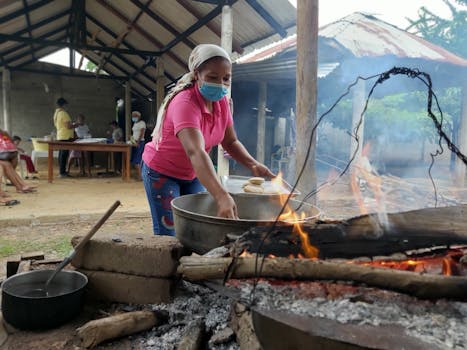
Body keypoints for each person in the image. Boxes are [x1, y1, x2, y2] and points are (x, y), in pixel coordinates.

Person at [142, 44, 274, 236]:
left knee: (195, 228)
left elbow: (230, 141)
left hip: (193, 173)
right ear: (197, 74)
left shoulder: (222, 103)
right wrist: (221, 196)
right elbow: (196, 151)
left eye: (226, 78)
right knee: (169, 233)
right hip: (162, 172)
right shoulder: (185, 103)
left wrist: (252, 164)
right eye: (212, 77)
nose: (220, 84)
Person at [53, 97, 76, 178]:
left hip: (60, 135)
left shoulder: (56, 113)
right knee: (64, 154)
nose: (67, 106)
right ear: (64, 104)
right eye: (66, 104)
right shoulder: (63, 113)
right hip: (65, 136)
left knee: (61, 154)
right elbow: (68, 126)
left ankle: (61, 171)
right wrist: (76, 124)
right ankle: (62, 172)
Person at [130, 111, 146, 179]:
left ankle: (141, 176)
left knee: (137, 159)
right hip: (134, 142)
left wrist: (138, 142)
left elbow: (142, 133)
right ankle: (139, 175)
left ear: (138, 116)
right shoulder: (135, 123)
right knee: (134, 159)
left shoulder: (142, 123)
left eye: (134, 116)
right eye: (132, 116)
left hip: (140, 142)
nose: (133, 117)